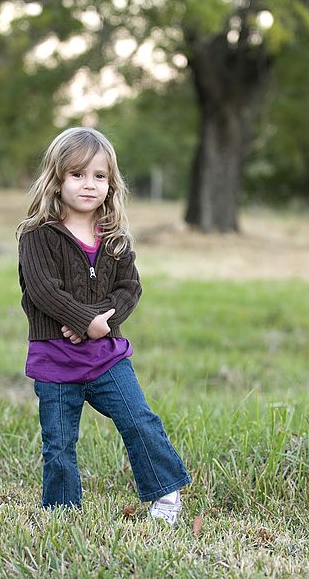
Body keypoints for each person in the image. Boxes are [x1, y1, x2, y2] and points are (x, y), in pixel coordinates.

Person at [16, 126, 192, 526]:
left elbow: (131, 287)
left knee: (139, 420)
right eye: (77, 175)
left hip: (106, 358)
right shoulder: (37, 237)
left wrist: (98, 323)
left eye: (99, 176)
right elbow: (44, 291)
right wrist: (83, 320)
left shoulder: (114, 238)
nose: (89, 185)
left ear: (111, 185)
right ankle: (62, 513)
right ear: (56, 180)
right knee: (59, 444)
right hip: (55, 361)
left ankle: (166, 497)